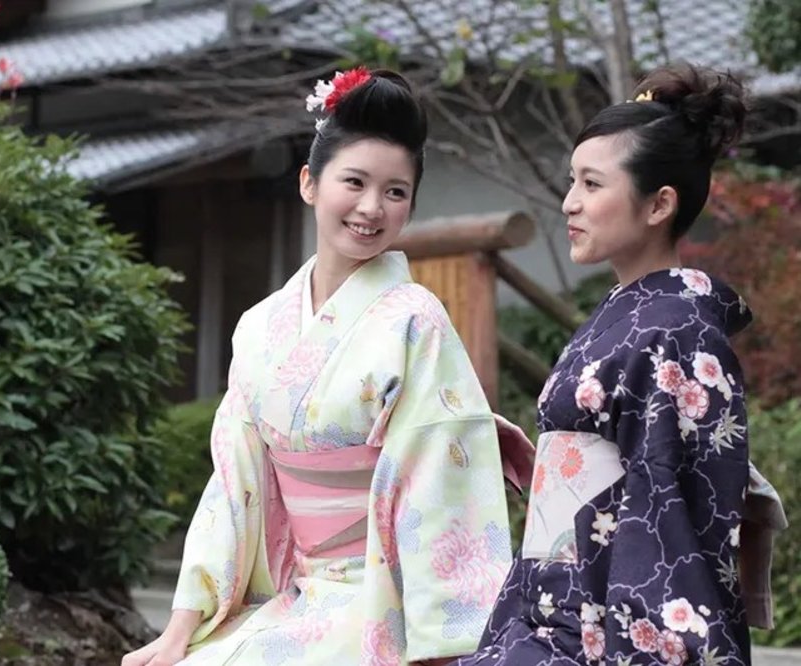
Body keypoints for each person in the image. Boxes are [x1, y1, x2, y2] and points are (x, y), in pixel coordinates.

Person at [121, 67, 518, 666]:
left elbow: (444, 482)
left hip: (383, 604)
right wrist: (182, 627)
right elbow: (235, 485)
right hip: (299, 594)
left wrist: (443, 646)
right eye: (354, 182)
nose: (370, 207)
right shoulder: (258, 328)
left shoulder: (415, 320)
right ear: (309, 182)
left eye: (394, 191)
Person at [450, 62, 787, 666]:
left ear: (659, 205)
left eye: (592, 184)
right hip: (559, 615)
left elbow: (664, 507)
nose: (570, 203)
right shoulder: (637, 316)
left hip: (603, 633)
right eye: (572, 181)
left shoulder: (675, 330)